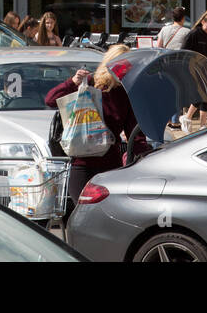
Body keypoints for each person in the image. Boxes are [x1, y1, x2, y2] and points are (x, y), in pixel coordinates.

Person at [44, 44, 145, 212]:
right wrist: (72, 82)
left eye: (128, 68)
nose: (125, 72)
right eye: (123, 67)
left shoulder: (125, 93)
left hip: (110, 164)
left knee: (106, 214)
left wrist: (144, 156)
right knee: (82, 212)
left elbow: (134, 132)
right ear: (110, 63)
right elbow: (50, 99)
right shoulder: (88, 83)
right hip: (82, 162)